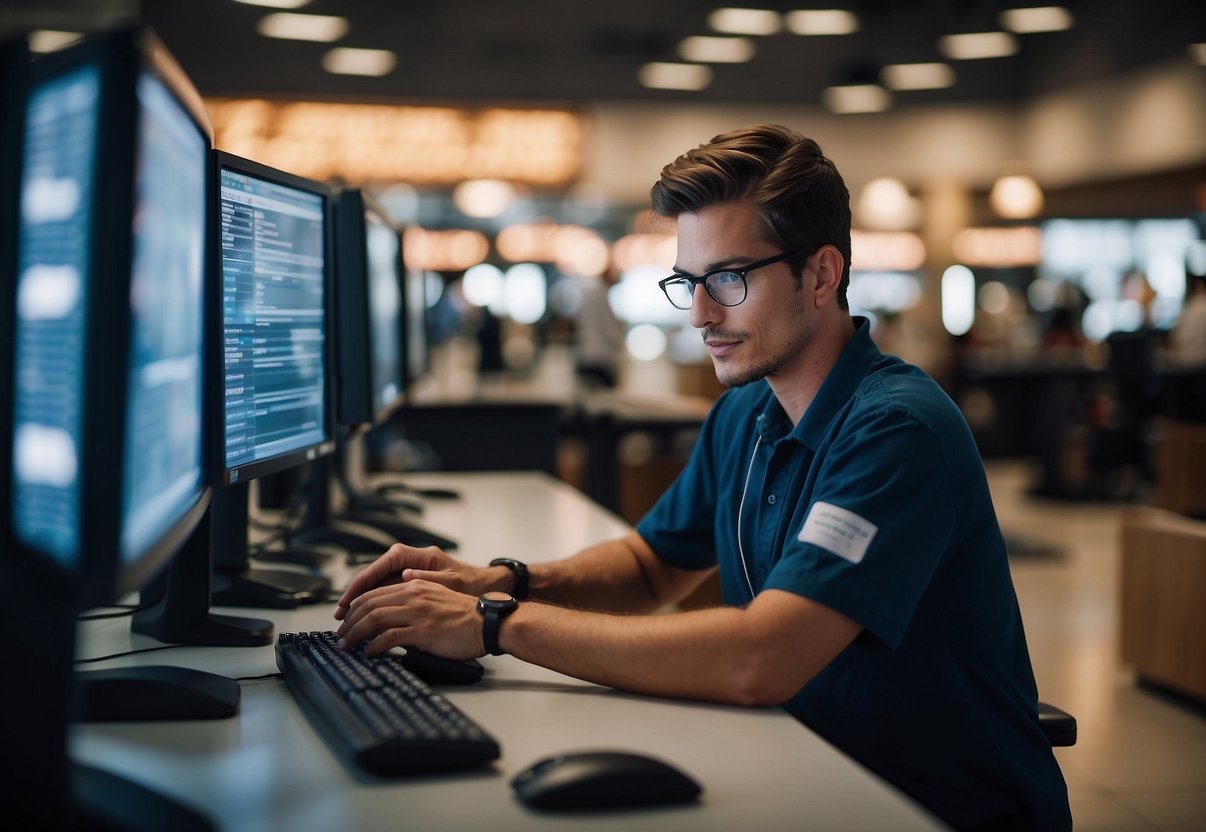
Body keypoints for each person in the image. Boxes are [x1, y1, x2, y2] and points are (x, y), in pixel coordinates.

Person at [334, 124, 1070, 831]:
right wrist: (499, 583)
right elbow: (651, 566)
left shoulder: (894, 432)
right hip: (806, 765)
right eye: (687, 280)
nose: (699, 313)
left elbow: (761, 660)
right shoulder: (747, 410)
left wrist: (494, 627)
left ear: (820, 274)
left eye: (727, 278)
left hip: (931, 807)